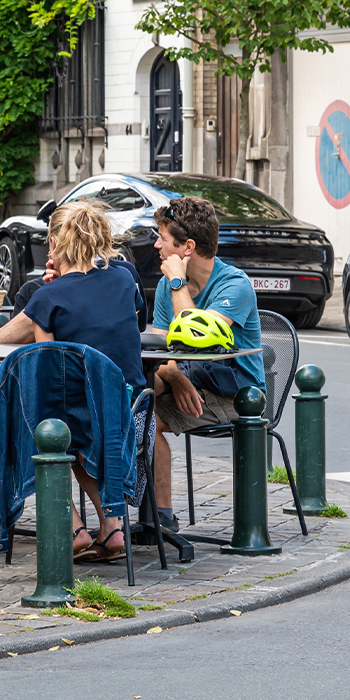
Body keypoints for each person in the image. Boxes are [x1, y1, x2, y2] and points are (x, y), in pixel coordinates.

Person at [22, 201, 145, 561]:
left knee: (36, 425)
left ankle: (73, 527)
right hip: (132, 413)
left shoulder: (46, 297)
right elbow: (134, 328)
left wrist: (55, 291)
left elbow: (43, 369)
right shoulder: (125, 278)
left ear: (54, 244)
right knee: (73, 425)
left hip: (88, 420)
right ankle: (112, 527)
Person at [149, 196, 263, 532]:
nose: (156, 245)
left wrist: (177, 283)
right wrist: (174, 376)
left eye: (163, 238)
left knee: (142, 419)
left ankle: (160, 519)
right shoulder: (164, 286)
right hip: (187, 381)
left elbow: (199, 337)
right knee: (131, 405)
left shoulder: (235, 285)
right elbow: (158, 352)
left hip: (236, 396)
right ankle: (149, 517)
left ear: (187, 247)